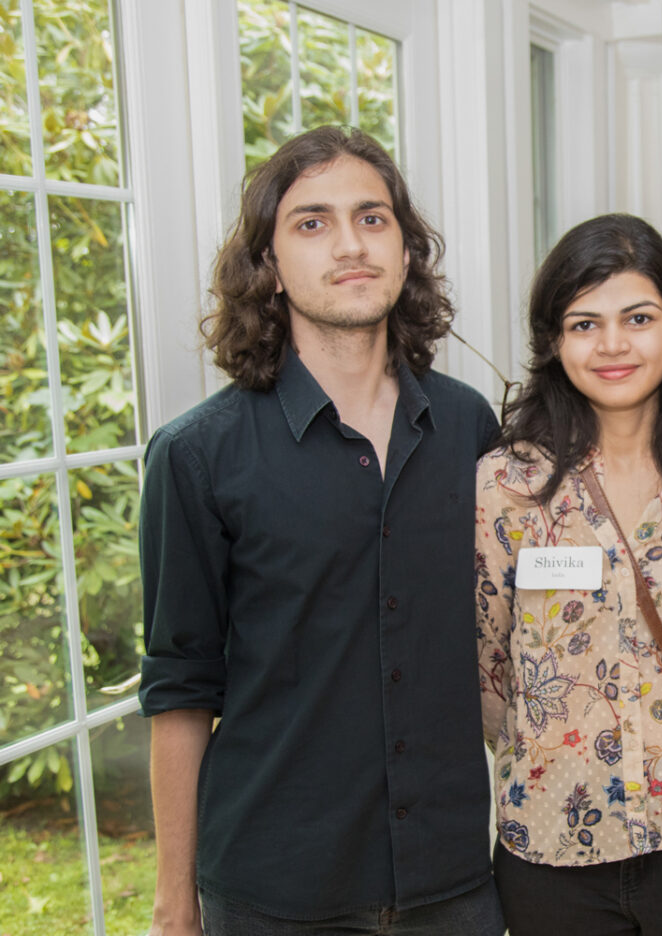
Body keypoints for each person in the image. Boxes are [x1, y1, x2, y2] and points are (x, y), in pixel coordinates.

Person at [139, 126, 504, 936]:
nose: (350, 244)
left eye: (373, 219)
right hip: (276, 892)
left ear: (407, 251)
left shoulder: (468, 427)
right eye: (312, 222)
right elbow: (179, 689)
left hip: (453, 884)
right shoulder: (197, 457)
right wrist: (174, 904)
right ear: (267, 266)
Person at [475, 214, 662, 936]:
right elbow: (491, 667)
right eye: (585, 323)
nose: (613, 344)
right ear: (554, 342)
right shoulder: (508, 485)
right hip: (552, 848)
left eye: (637, 318)